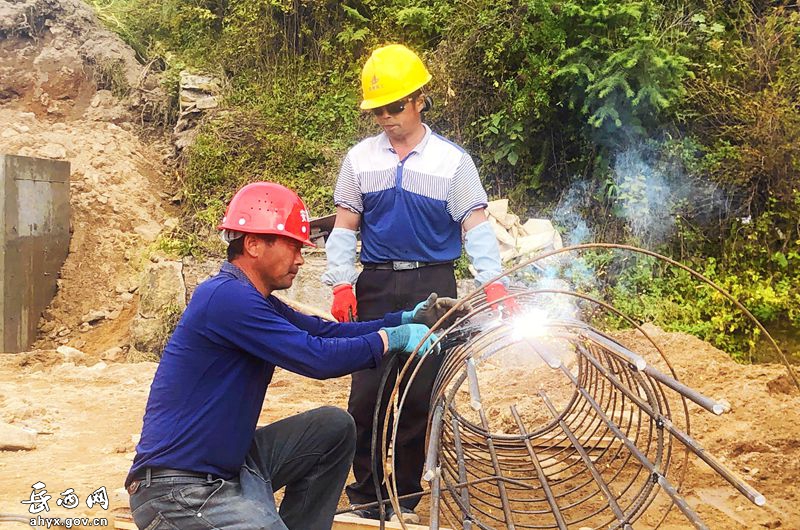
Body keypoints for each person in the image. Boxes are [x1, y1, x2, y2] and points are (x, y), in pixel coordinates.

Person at [125, 181, 457, 530]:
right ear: (253, 244)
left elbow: (323, 331)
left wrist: (404, 320)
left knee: (333, 427)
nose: (301, 258)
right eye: (293, 247)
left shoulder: (252, 299)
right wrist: (391, 339)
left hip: (231, 466)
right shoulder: (226, 299)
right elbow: (316, 356)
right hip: (178, 489)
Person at [322, 44, 518, 523]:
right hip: (374, 284)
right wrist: (342, 283)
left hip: (434, 287)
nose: (387, 118)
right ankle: (367, 495)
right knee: (366, 395)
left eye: (395, 107)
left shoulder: (453, 164)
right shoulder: (359, 160)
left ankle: (405, 496)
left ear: (418, 100)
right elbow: (345, 225)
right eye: (378, 111)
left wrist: (492, 283)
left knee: (417, 396)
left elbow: (476, 227)